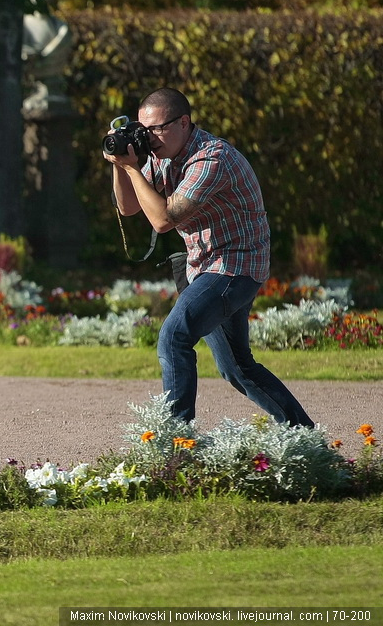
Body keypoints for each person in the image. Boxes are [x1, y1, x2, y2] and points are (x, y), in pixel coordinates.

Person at [105, 87, 314, 427]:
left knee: (174, 337)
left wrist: (132, 170)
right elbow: (128, 208)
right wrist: (120, 163)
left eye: (158, 128)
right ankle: (305, 436)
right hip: (202, 267)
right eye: (144, 130)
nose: (150, 137)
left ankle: (174, 446)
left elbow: (162, 220)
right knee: (237, 368)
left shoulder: (211, 158)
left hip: (237, 266)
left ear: (184, 122)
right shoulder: (161, 155)